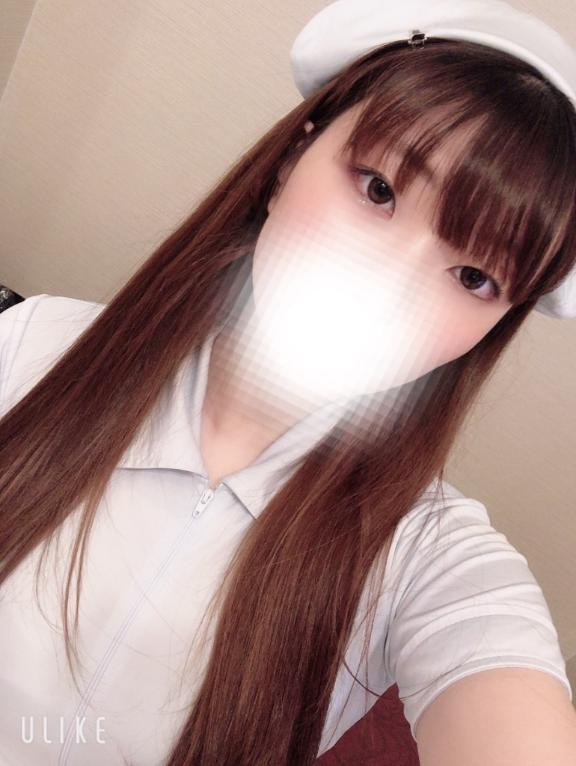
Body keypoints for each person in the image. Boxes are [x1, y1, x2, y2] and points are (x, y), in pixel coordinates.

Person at [1, 1, 576, 764]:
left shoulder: (426, 556)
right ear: (287, 163)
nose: (387, 286)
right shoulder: (30, 344)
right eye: (379, 189)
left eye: (474, 276)